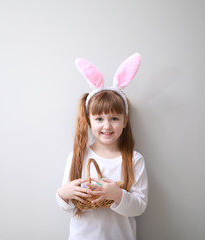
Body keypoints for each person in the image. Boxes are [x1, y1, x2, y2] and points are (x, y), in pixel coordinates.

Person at [56, 53, 148, 240]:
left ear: (124, 121)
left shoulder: (134, 159)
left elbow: (139, 207)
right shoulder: (77, 156)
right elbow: (66, 204)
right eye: (99, 119)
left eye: (114, 118)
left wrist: (117, 195)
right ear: (89, 121)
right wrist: (63, 194)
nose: (107, 126)